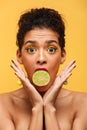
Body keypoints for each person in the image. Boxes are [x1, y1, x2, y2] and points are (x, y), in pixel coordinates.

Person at [0, 7, 87, 130]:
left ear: (62, 55)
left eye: (51, 49)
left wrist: (49, 108)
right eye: (31, 50)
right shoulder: (2, 105)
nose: (41, 58)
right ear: (19, 56)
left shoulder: (83, 104)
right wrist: (37, 107)